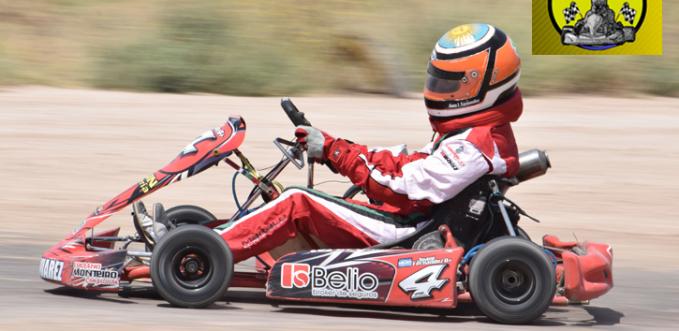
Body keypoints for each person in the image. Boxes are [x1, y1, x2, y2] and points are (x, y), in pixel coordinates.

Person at [219, 23, 523, 263]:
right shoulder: (475, 132)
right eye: (437, 80)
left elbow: (405, 186)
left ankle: (208, 250)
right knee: (287, 199)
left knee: (297, 202)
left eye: (448, 84)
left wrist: (335, 152)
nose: (437, 90)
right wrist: (335, 148)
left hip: (407, 232)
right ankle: (208, 237)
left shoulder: (475, 145)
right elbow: (409, 164)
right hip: (414, 219)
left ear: (484, 85)